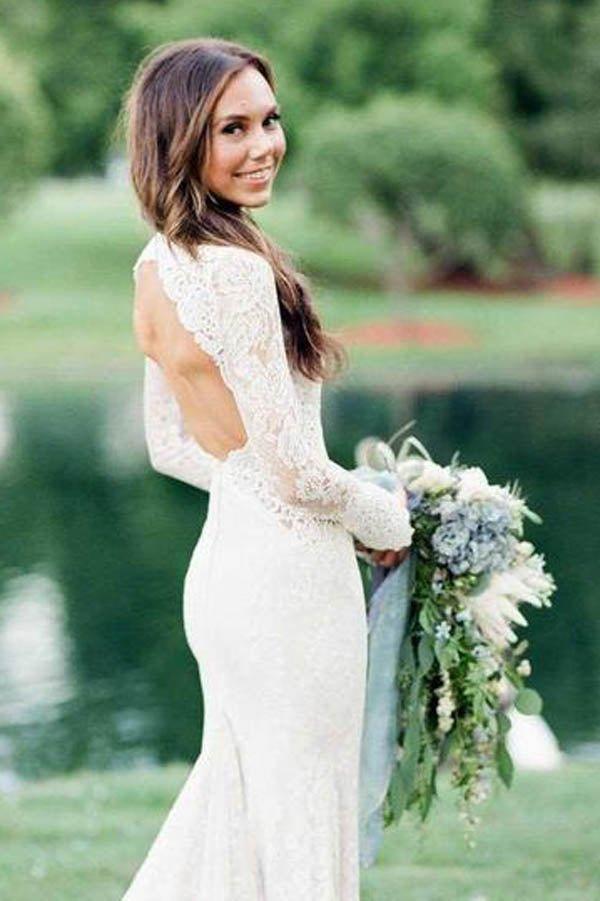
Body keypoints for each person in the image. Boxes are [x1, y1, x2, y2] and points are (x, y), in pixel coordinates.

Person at [121, 37, 413, 900]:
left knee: (241, 810)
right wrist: (387, 516)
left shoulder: (156, 265)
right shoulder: (238, 274)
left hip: (224, 576)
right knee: (303, 818)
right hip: (290, 594)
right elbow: (297, 473)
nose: (264, 146)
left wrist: (277, 496)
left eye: (270, 120)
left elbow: (170, 446)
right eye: (232, 129)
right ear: (178, 141)